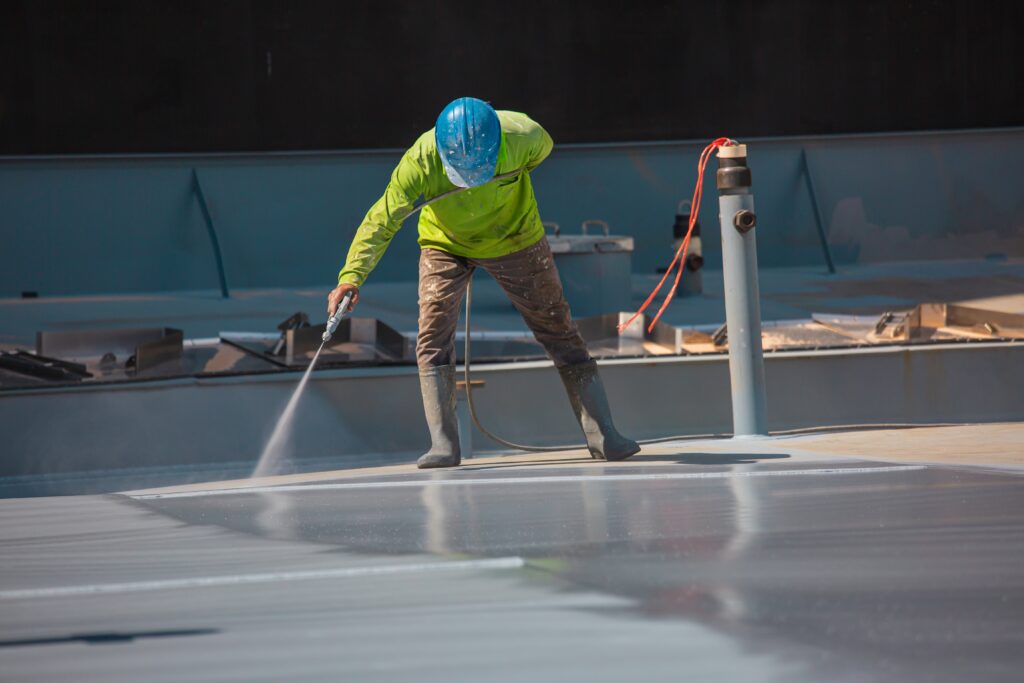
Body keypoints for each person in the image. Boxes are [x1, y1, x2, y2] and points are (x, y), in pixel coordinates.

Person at [327, 97, 639, 469]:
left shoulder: (525, 135)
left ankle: (604, 436)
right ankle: (444, 444)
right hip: (445, 243)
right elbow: (383, 219)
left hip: (516, 238)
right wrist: (351, 277)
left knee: (557, 327)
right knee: (433, 332)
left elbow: (542, 153)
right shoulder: (420, 160)